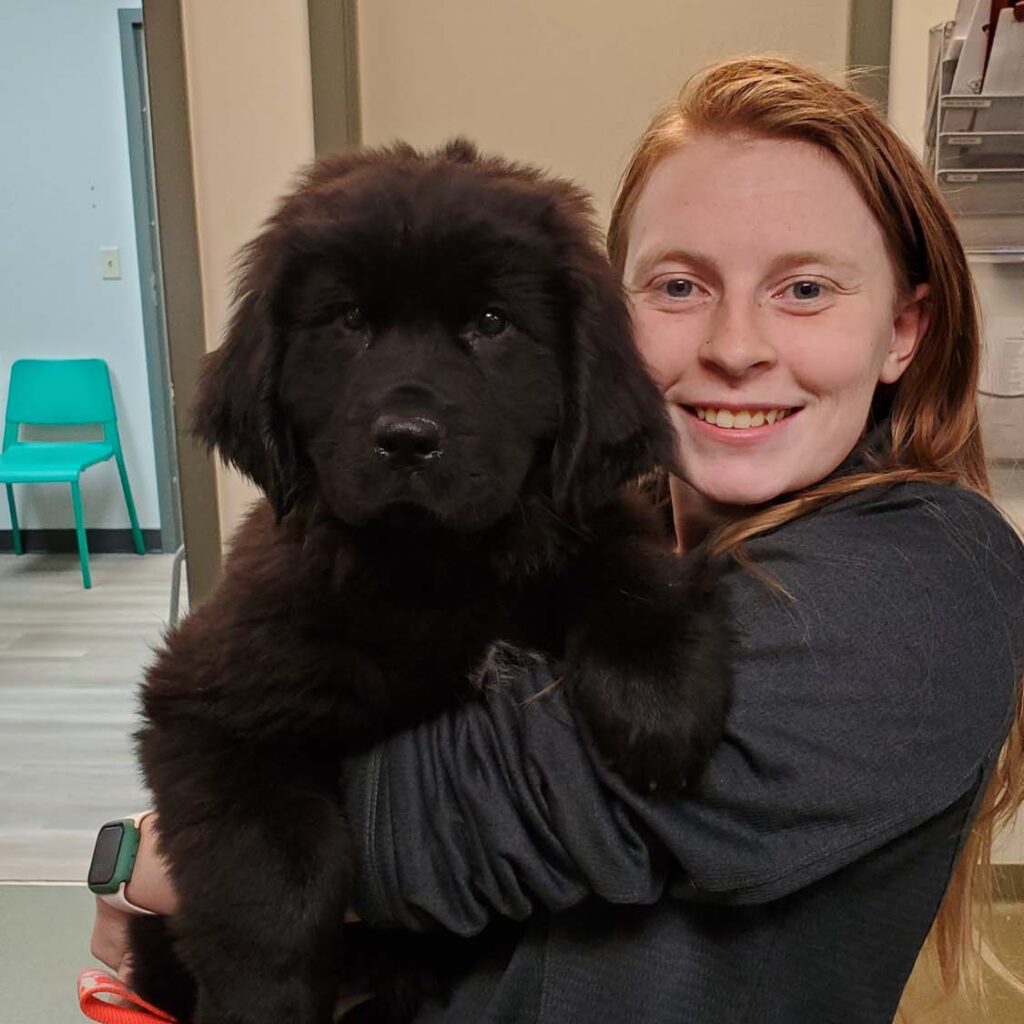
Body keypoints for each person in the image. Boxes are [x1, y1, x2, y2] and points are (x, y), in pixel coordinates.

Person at [90, 56, 1024, 1022]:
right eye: (677, 285)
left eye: (806, 289)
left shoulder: (929, 578)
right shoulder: (610, 524)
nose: (736, 347)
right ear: (615, 327)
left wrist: (164, 860)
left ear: (906, 329)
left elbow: (478, 815)